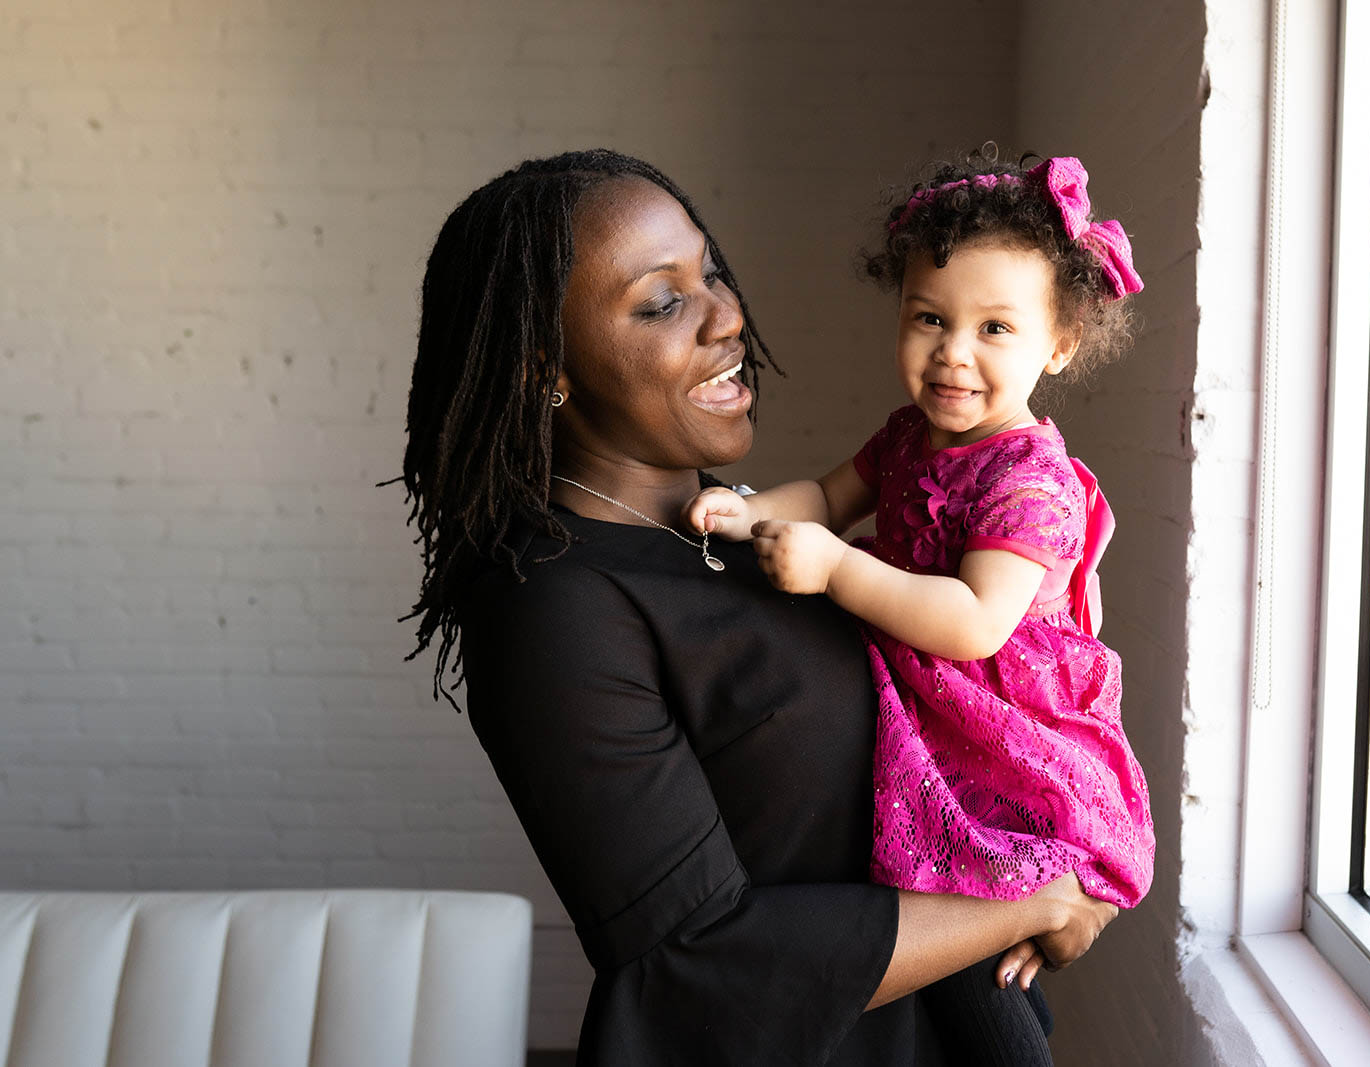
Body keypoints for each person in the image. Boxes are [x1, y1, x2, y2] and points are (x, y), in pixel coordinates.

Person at [398, 149, 1119, 1067]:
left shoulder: (733, 532)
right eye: (663, 302)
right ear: (550, 367)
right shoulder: (554, 609)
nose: (729, 315)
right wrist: (1036, 900)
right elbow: (696, 961)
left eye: (713, 273)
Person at [685, 151, 1157, 1065]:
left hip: (1007, 738)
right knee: (951, 958)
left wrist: (834, 574)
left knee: (970, 949)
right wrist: (751, 509)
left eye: (995, 329)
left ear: (1056, 345)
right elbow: (826, 498)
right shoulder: (909, 434)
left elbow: (976, 621)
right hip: (932, 707)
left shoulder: (1031, 483)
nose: (953, 352)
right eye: (930, 319)